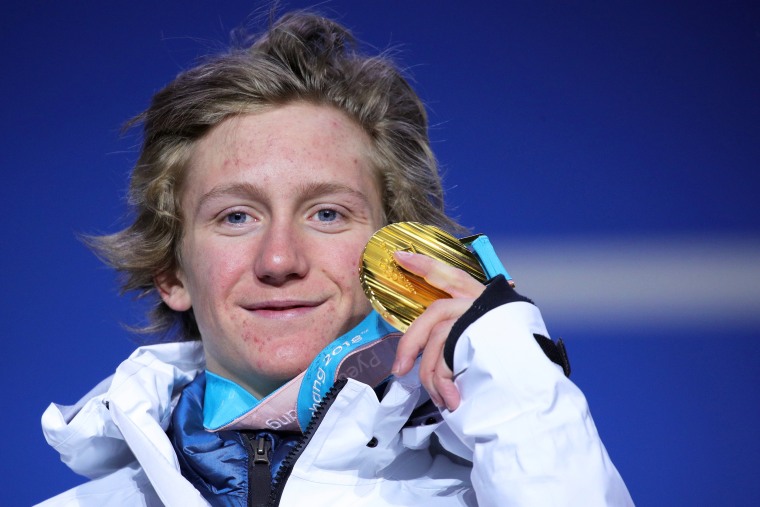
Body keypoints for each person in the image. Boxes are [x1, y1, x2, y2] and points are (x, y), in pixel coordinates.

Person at [38, 11, 633, 507]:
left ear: (401, 255)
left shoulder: (504, 482)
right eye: (235, 217)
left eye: (326, 213)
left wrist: (511, 364)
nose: (279, 259)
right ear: (170, 271)